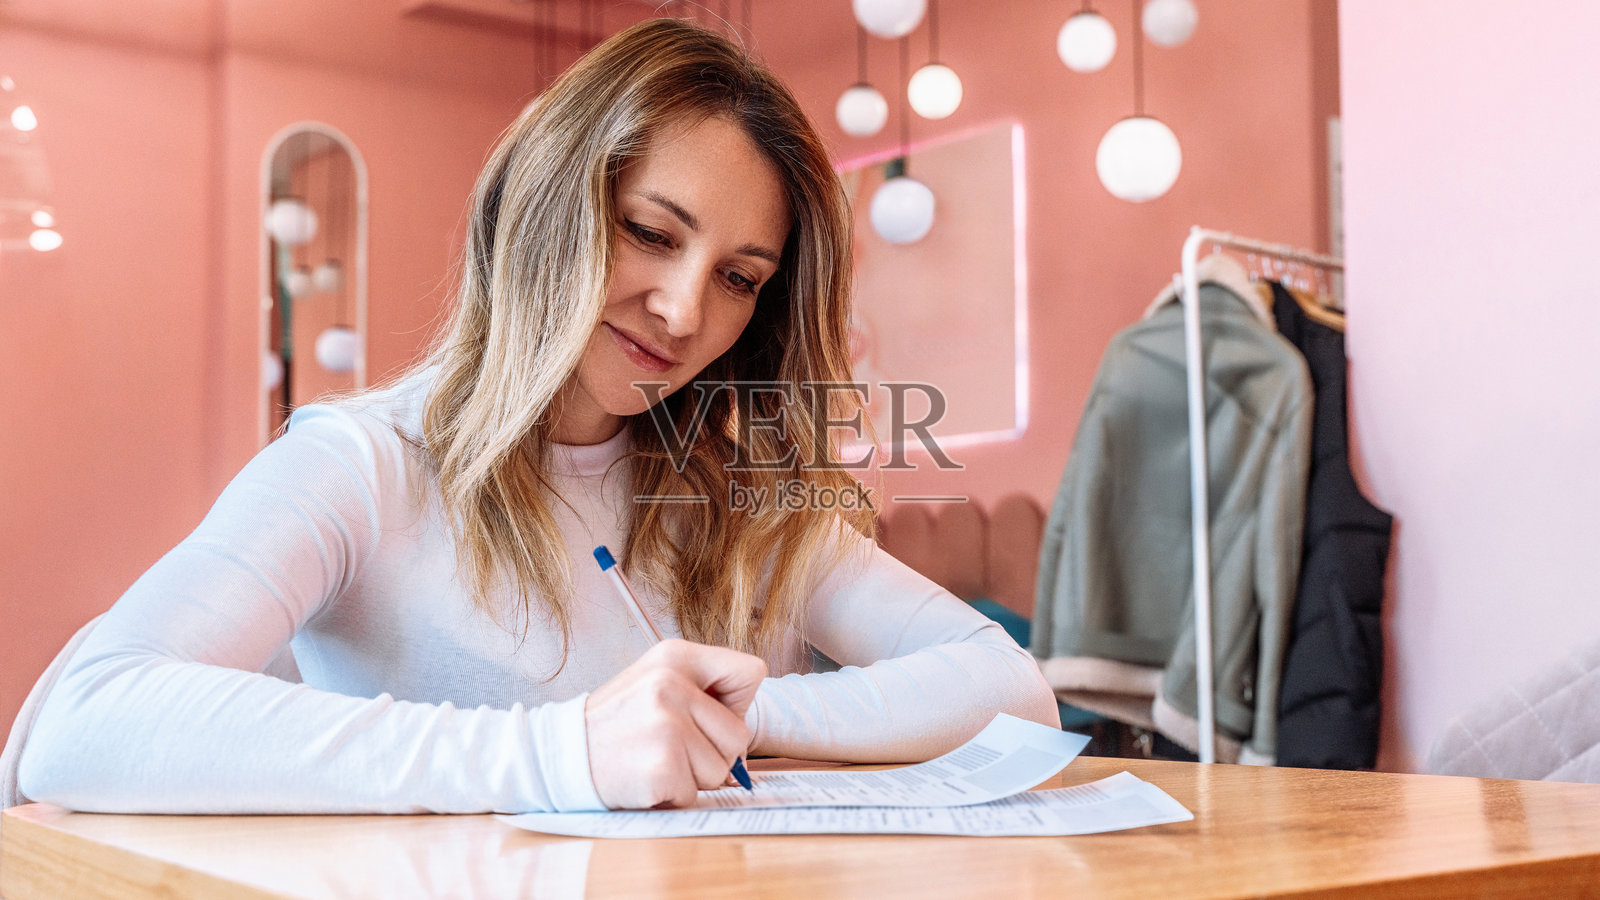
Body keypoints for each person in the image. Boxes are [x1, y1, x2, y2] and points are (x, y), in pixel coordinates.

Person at [16, 18, 1058, 815]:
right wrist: (559, 754)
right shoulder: (364, 465)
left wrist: (729, 716)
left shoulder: (733, 496)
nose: (686, 312)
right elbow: (81, 722)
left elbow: (1011, 689)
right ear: (544, 204)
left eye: (739, 278)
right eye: (650, 232)